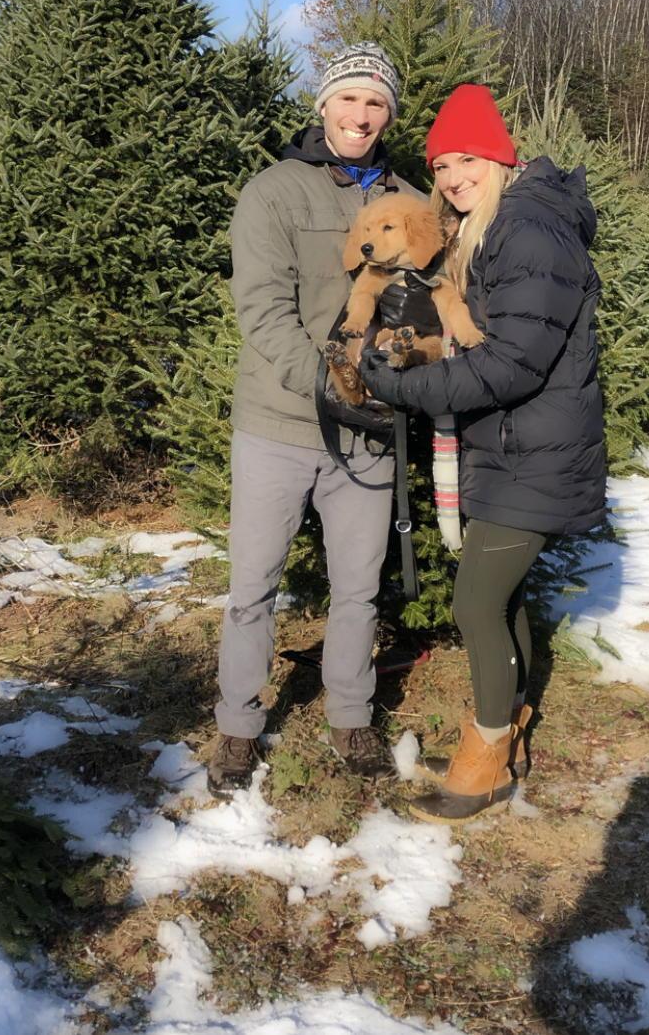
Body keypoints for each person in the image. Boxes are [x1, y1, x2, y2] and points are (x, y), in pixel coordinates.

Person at [360, 83, 606, 824]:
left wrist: (407, 388)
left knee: (475, 601)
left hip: (537, 449)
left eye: (467, 158)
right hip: (510, 444)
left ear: (500, 158)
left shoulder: (529, 230)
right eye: (440, 165)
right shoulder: (493, 227)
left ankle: (487, 758)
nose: (453, 176)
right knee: (503, 597)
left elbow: (513, 364)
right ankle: (509, 733)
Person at [208, 42, 417, 799]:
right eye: (349, 99)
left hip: (369, 435)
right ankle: (237, 729)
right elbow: (261, 312)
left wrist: (401, 378)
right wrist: (329, 385)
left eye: (376, 103)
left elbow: (424, 305)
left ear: (388, 113)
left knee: (359, 588)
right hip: (278, 426)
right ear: (323, 105)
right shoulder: (273, 193)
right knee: (253, 587)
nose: (361, 115)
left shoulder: (408, 197)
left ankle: (351, 718)